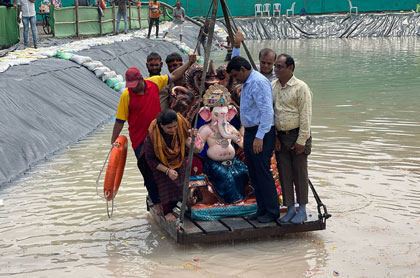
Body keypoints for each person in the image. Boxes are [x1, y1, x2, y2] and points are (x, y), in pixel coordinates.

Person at [110, 54, 196, 209]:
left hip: (158, 136)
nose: (134, 87)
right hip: (140, 140)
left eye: (136, 84)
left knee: (168, 169)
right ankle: (157, 203)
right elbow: (119, 121)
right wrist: (113, 141)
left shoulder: (154, 83)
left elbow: (174, 75)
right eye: (131, 85)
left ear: (142, 79)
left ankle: (173, 201)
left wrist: (189, 63)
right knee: (148, 172)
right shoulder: (126, 95)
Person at [226, 56, 279, 223]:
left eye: (235, 75)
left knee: (263, 172)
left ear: (243, 70)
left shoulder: (258, 82)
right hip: (250, 131)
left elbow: (267, 113)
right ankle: (262, 208)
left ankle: (272, 211)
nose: (235, 80)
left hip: (261, 132)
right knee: (254, 173)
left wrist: (260, 137)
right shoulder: (248, 81)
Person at [272, 54, 313, 224]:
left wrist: (301, 141)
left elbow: (306, 116)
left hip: (297, 135)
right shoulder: (273, 86)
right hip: (281, 136)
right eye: (275, 66)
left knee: (300, 173)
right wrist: (274, 136)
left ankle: (301, 209)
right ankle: (290, 209)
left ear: (291, 68)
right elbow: (272, 113)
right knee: (285, 174)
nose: (276, 69)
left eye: (280, 66)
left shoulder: (300, 87)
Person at [142, 109, 198, 221]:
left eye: (175, 126)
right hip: (159, 163)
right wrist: (167, 171)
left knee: (181, 181)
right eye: (169, 128)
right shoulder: (153, 136)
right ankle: (166, 210)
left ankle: (179, 206)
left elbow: (188, 135)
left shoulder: (181, 125)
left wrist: (192, 134)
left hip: (177, 158)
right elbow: (150, 159)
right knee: (164, 182)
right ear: (162, 125)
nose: (173, 130)